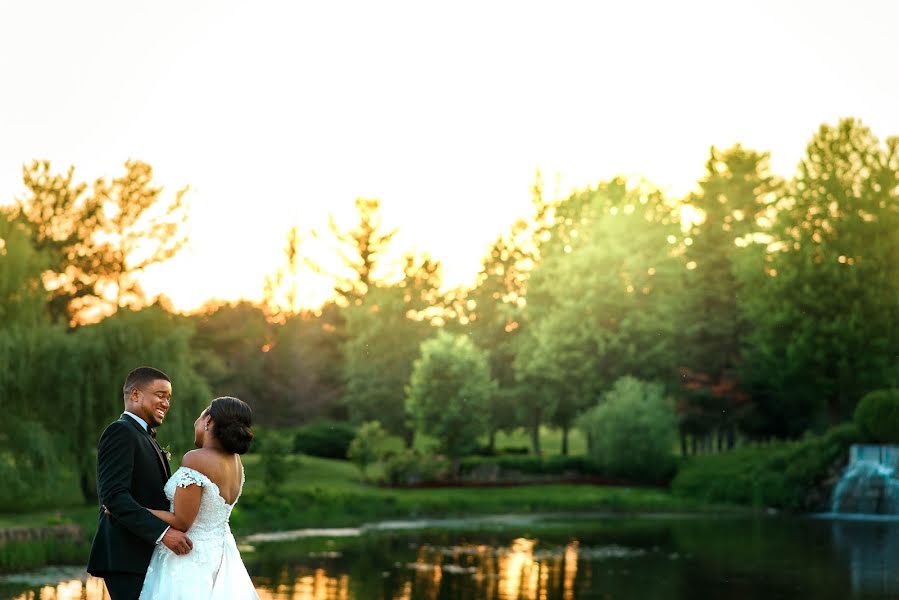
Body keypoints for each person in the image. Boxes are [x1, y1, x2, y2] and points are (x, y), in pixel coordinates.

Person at [87, 366, 194, 600]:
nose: (166, 403)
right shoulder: (120, 432)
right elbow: (114, 497)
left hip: (144, 554)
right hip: (126, 557)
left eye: (169, 398)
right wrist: (163, 533)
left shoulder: (144, 436)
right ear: (135, 395)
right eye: (160, 395)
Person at [138, 396, 258, 599]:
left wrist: (134, 509)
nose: (196, 422)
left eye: (200, 416)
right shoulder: (236, 462)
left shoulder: (196, 458)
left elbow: (182, 522)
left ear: (209, 421)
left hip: (188, 559)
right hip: (220, 557)